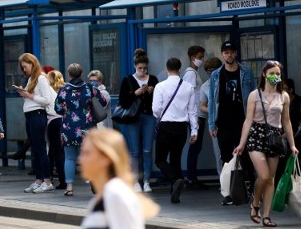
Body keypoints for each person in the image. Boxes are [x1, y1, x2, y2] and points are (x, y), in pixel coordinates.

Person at [78, 128, 176, 229]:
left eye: (87, 153)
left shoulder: (116, 195)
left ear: (106, 159)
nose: (81, 159)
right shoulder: (98, 200)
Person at [233, 60, 298, 228]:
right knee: (263, 175)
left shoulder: (284, 96)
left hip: (275, 138)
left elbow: (287, 122)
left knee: (271, 179)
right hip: (256, 135)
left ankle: (266, 216)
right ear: (264, 74)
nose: (275, 76)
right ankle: (255, 203)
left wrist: (292, 144)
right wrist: (241, 143)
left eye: (277, 74)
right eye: (272, 73)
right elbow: (247, 121)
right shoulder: (255, 95)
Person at [208, 41, 256, 205]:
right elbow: (212, 102)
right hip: (223, 122)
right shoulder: (216, 75)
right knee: (226, 158)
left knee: (247, 157)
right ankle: (228, 192)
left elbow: (253, 96)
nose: (229, 55)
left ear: (235, 53)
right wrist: (211, 125)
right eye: (226, 52)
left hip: (243, 121)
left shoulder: (246, 72)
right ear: (222, 55)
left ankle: (251, 189)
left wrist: (254, 120)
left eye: (231, 52)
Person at [55, 63, 108, 196]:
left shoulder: (63, 89)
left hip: (68, 130)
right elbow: (102, 101)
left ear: (69, 74)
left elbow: (57, 108)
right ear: (81, 74)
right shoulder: (89, 87)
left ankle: (69, 188)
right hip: (88, 128)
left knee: (70, 158)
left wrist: (68, 112)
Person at [153, 57, 198, 204]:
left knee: (160, 159)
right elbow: (192, 111)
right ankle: (175, 193)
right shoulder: (188, 87)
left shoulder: (160, 86)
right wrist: (194, 131)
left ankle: (176, 179)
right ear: (180, 69)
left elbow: (156, 110)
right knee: (175, 159)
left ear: (166, 69)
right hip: (182, 127)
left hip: (166, 125)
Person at [118, 49, 159, 193]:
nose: (142, 71)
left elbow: (158, 100)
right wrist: (135, 93)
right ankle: (135, 181)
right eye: (139, 68)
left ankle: (147, 181)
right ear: (135, 66)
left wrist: (152, 92)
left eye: (144, 68)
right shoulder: (128, 80)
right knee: (135, 151)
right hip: (132, 118)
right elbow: (122, 100)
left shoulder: (153, 79)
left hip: (149, 116)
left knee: (147, 150)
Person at [16, 53, 54, 193]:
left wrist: (29, 95)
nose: (24, 70)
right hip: (31, 115)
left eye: (25, 67)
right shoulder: (32, 78)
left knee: (40, 149)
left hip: (38, 115)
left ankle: (47, 181)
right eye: (22, 67)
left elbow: (47, 100)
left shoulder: (41, 78)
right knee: (36, 150)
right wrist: (24, 93)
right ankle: (39, 180)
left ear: (32, 64)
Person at [182, 45, 208, 189]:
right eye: (200, 57)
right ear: (192, 58)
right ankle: (191, 178)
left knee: (196, 147)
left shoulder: (193, 73)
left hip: (197, 114)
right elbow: (189, 95)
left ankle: (192, 177)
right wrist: (193, 117)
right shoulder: (191, 74)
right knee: (195, 146)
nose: (202, 60)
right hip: (196, 115)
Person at [199, 57, 222, 176]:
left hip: (231, 121)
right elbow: (201, 105)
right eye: (208, 71)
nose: (210, 73)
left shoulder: (227, 81)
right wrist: (212, 110)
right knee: (218, 153)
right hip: (215, 123)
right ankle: (222, 181)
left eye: (213, 70)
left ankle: (238, 180)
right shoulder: (205, 86)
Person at [46, 69, 67, 189]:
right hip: (65, 122)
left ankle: (59, 180)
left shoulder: (48, 91)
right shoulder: (65, 90)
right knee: (63, 152)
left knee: (55, 152)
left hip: (53, 121)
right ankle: (65, 180)